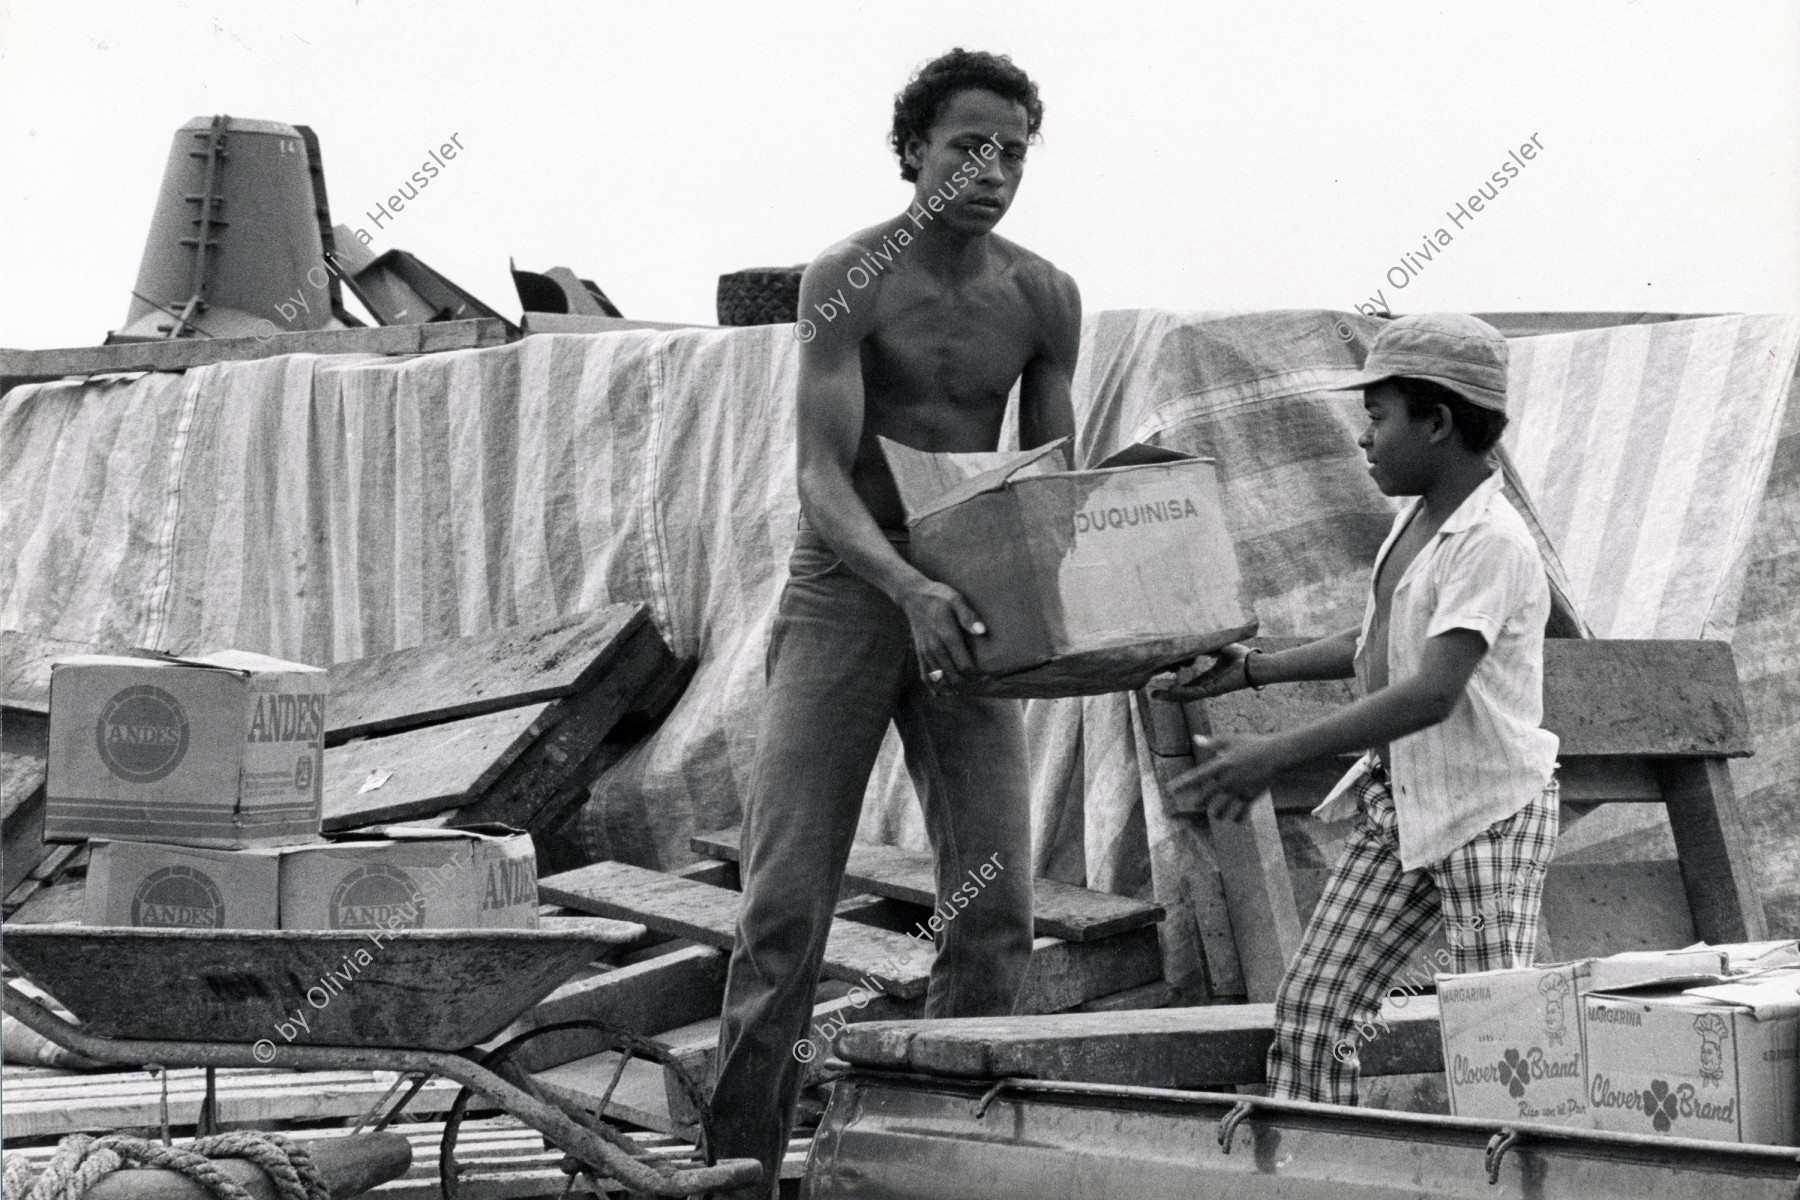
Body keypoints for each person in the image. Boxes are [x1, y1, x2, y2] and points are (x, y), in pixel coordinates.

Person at [708, 48, 1080, 1193]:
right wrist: (906, 587)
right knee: (785, 907)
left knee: (996, 903)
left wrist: (1040, 605)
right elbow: (820, 475)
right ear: (913, 149)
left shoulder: (1043, 295)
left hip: (964, 599)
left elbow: (1050, 479)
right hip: (849, 591)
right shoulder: (850, 277)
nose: (991, 168)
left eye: (1012, 149)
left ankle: (937, 1162)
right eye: (968, 144)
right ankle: (737, 1167)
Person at [1158, 312, 1559, 1104]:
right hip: (1405, 809)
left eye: (1376, 417)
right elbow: (1378, 644)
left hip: (1490, 814)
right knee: (1313, 1012)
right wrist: (1250, 672)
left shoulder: (1491, 543)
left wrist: (1277, 753)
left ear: (1437, 422)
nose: (1363, 439)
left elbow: (1432, 691)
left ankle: (1515, 1174)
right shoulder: (1416, 523)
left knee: (1494, 1039)